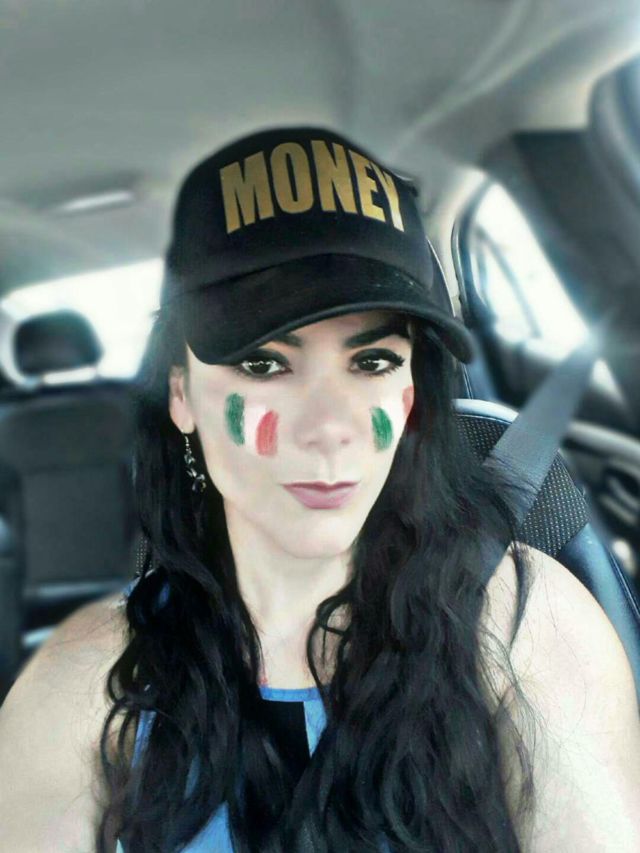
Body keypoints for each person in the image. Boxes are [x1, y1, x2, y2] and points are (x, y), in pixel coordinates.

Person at [2, 126, 639, 853]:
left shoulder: (525, 621)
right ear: (182, 393)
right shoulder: (87, 682)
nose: (329, 429)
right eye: (264, 364)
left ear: (410, 397)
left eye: (372, 361)